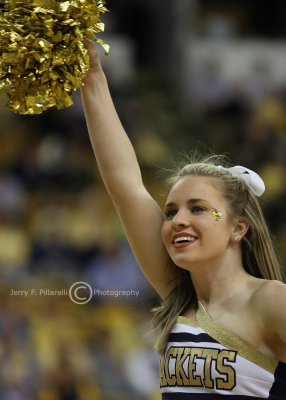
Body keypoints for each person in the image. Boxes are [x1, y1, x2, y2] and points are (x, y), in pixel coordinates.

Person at [80, 40, 286, 398]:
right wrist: (92, 79)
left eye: (198, 208)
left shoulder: (269, 300)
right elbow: (126, 188)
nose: (178, 220)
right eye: (171, 211)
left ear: (238, 227)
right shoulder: (180, 297)